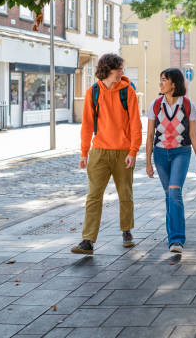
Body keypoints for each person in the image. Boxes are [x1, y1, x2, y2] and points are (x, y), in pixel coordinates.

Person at [71, 53, 142, 255]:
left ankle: (126, 231)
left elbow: (136, 123)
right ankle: (88, 240)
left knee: (125, 194)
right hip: (99, 152)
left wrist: (133, 151)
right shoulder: (92, 92)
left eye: (121, 69)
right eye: (118, 69)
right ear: (107, 70)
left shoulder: (127, 91)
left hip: (123, 152)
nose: (121, 72)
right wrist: (84, 152)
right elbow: (86, 124)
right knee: (93, 196)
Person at [146, 68, 196, 254]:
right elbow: (149, 136)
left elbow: (193, 134)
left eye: (164, 80)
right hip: (160, 154)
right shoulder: (155, 105)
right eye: (160, 80)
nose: (160, 83)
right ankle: (172, 237)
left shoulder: (188, 105)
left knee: (174, 192)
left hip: (181, 153)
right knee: (169, 196)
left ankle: (177, 239)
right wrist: (147, 161)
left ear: (174, 84)